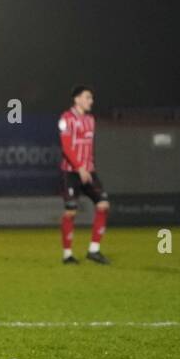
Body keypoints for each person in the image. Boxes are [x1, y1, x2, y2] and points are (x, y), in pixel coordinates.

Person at [58, 85, 110, 265]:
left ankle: (94, 251)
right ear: (77, 99)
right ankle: (67, 254)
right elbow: (66, 147)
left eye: (91, 98)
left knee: (103, 205)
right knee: (71, 212)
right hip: (71, 172)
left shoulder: (91, 120)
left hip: (88, 171)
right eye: (88, 97)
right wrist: (79, 167)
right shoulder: (65, 119)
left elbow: (87, 147)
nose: (91, 101)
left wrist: (87, 167)